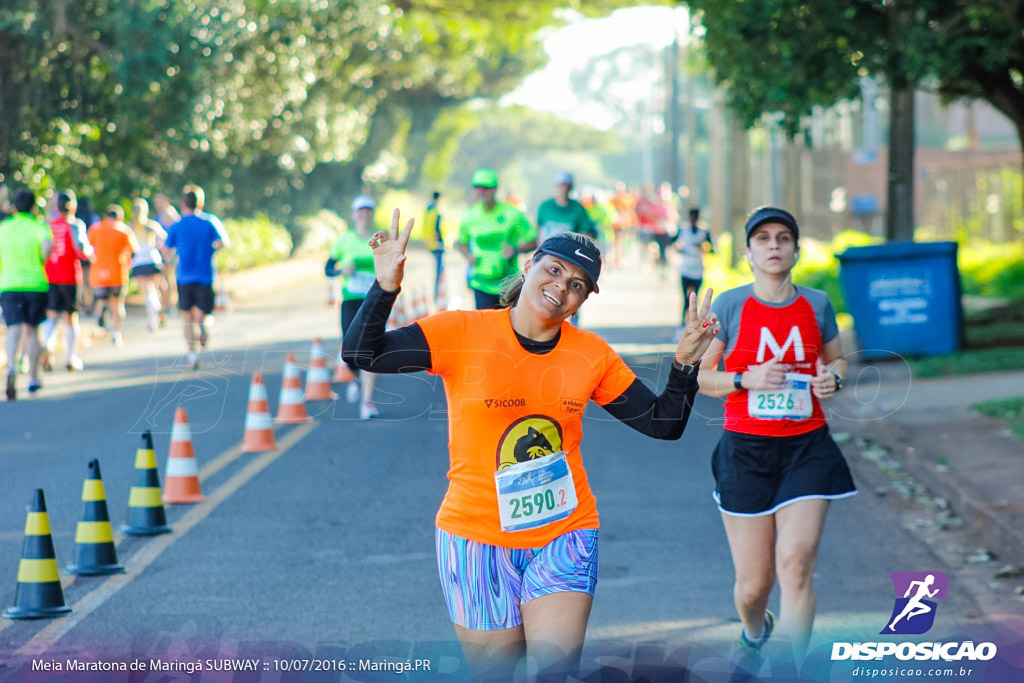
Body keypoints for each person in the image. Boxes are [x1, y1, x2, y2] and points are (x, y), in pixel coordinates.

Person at [343, 210, 721, 679]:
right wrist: (384, 287)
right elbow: (362, 353)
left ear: (584, 300)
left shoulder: (592, 355)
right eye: (555, 269)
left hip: (564, 531)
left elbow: (663, 424)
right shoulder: (461, 332)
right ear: (529, 266)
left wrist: (684, 365)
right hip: (475, 536)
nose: (563, 287)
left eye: (579, 284)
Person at [695, 206, 856, 674]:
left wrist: (834, 381)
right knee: (753, 585)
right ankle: (754, 631)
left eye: (782, 238)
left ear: (796, 250)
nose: (773, 246)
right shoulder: (730, 305)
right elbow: (704, 378)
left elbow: (838, 361)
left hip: (807, 447)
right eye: (762, 239)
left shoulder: (817, 303)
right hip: (745, 451)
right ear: (748, 252)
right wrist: (746, 379)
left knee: (796, 565)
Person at [325, 194, 381, 419]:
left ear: (373, 214)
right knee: (350, 350)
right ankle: (356, 377)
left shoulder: (380, 239)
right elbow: (328, 269)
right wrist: (341, 271)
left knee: (372, 349)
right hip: (350, 300)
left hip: (375, 301)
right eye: (360, 210)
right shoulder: (344, 240)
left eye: (368, 210)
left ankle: (368, 401)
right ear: (353, 214)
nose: (364, 214)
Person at [162, 185, 229, 370]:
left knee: (186, 317)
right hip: (205, 275)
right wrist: (210, 249)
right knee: (204, 314)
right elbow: (223, 242)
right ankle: (204, 330)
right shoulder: (210, 222)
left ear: (183, 203)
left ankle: (192, 355)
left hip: (183, 276)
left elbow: (166, 251)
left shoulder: (177, 225)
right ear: (201, 202)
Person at [456, 169, 537, 310]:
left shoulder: (512, 214)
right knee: (485, 328)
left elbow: (533, 241)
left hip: (508, 284)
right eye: (478, 187)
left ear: (494, 189)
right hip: (481, 282)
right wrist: (468, 256)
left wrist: (516, 249)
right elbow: (461, 242)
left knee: (508, 329)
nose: (482, 192)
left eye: (486, 188)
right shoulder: (469, 215)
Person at [0, 189, 52, 399]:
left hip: (9, 284)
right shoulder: (39, 227)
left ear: (14, 206)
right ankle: (32, 378)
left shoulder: (4, 228)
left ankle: (11, 367)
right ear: (33, 207)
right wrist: (39, 262)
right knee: (31, 331)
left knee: (13, 329)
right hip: (35, 283)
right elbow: (47, 249)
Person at [41, 190, 91, 372]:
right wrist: (89, 252)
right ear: (73, 206)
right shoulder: (76, 225)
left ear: (57, 206)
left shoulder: (48, 225)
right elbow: (81, 248)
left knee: (51, 316)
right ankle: (71, 357)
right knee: (71, 318)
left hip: (50, 276)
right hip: (70, 277)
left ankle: (47, 345)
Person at [87, 205, 139, 346]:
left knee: (101, 301)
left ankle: (101, 316)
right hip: (118, 273)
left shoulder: (96, 229)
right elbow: (134, 250)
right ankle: (116, 333)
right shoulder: (124, 230)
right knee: (118, 304)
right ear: (120, 217)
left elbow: (88, 247)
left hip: (99, 273)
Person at [672, 207, 715, 341]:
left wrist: (702, 248)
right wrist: (681, 250)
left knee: (695, 299)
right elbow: (672, 243)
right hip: (685, 269)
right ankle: (682, 327)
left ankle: (694, 327)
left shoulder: (704, 231)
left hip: (697, 269)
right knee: (686, 299)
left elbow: (712, 249)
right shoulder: (682, 230)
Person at [128, 198, 169, 332]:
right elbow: (164, 237)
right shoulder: (151, 225)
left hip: (139, 261)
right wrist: (158, 245)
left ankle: (152, 322)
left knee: (147, 292)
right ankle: (158, 312)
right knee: (155, 290)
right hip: (153, 259)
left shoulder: (131, 227)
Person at [535, 172, 596, 244]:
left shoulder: (578, 208)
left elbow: (585, 233)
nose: (563, 189)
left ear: (570, 188)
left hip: (568, 251)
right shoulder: (545, 206)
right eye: (560, 185)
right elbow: (538, 229)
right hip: (547, 249)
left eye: (566, 186)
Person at [422, 191, 445, 301]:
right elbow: (437, 228)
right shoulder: (436, 211)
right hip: (437, 244)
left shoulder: (427, 210)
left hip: (429, 242)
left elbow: (425, 226)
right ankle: (438, 294)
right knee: (439, 270)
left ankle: (436, 294)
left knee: (437, 269)